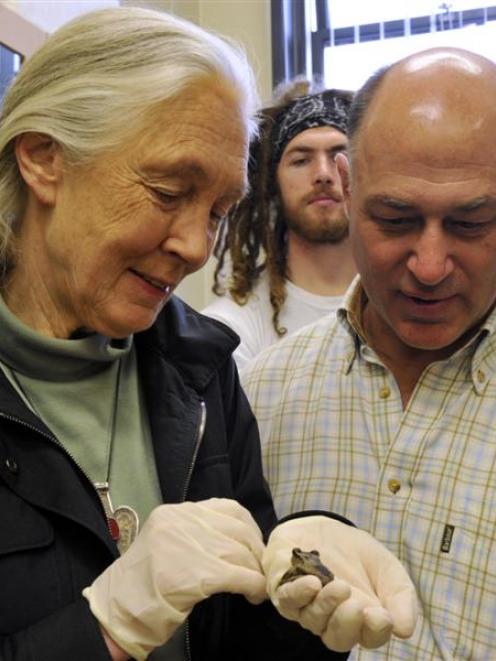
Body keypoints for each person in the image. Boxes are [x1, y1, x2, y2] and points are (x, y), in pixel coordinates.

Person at [0, 7, 418, 661]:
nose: (198, 247)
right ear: (43, 159)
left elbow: (239, 635)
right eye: (168, 190)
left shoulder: (198, 368)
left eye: (221, 211)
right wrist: (102, 629)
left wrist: (301, 591)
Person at [241, 46, 496, 660]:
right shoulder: (261, 395)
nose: (430, 267)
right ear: (349, 190)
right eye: (395, 218)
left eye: (471, 223)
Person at [202, 81, 356, 369]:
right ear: (272, 185)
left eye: (340, 155)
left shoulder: (409, 305)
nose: (323, 173)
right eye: (301, 160)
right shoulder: (231, 329)